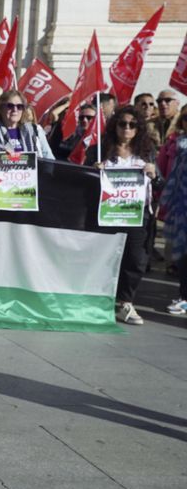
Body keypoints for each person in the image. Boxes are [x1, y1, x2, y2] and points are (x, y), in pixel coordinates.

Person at [88, 105, 159, 325]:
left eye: (132, 125)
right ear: (114, 126)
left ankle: (126, 302)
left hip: (137, 215)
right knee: (105, 258)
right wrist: (92, 171)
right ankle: (100, 299)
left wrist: (154, 175)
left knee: (136, 260)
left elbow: (160, 183)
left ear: (138, 129)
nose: (127, 128)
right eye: (122, 124)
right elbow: (82, 180)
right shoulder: (100, 150)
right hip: (109, 213)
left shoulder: (147, 152)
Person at [159, 115, 187, 315]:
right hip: (182, 207)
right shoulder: (180, 145)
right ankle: (184, 297)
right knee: (184, 256)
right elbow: (175, 177)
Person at [0, 91, 54, 159]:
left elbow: (50, 160)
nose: (15, 110)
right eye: (10, 106)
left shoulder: (35, 130)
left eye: (19, 106)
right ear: (0, 109)